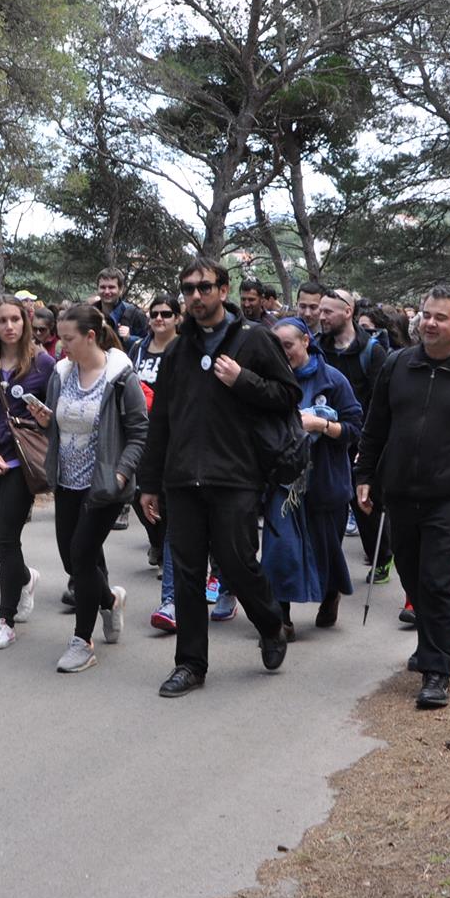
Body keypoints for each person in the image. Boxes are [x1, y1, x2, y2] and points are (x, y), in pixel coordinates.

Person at [137, 255, 303, 697]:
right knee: (189, 573)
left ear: (223, 290)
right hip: (183, 479)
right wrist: (149, 482)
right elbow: (162, 420)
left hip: (236, 475)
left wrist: (243, 379)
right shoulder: (178, 349)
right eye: (188, 288)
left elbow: (288, 396)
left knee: (237, 564)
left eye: (203, 287)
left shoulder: (254, 340)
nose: (195, 296)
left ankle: (270, 624)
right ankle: (191, 664)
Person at [354, 285, 450, 712]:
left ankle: (437, 671)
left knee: (439, 581)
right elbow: (375, 426)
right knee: (412, 575)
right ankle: (428, 644)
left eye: (441, 317)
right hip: (400, 493)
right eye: (425, 315)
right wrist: (364, 473)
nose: (429, 323)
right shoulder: (397, 365)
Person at [20, 304, 147, 672]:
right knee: (76, 560)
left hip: (105, 485)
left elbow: (139, 433)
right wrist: (47, 421)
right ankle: (109, 600)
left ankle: (82, 641)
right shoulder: (61, 373)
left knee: (81, 554)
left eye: (69, 339)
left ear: (91, 336)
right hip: (67, 482)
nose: (61, 346)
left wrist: (122, 475)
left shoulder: (120, 376)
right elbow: (60, 426)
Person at [0, 296, 56, 647]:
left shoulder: (43, 364)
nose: (9, 326)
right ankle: (25, 578)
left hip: (20, 462)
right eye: (2, 320)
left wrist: (47, 418)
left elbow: (53, 413)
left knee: (6, 537)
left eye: (15, 319)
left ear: (25, 322)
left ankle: (5, 619)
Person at [262, 319, 361, 637]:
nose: (283, 353)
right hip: (282, 483)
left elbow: (354, 428)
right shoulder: (269, 381)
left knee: (325, 547)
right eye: (276, 348)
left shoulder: (333, 380)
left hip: (324, 480)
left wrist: (321, 426)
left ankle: (331, 593)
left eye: (288, 345)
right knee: (280, 549)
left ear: (306, 341)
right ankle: (282, 616)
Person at [316, 287, 392, 581]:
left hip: (360, 441)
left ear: (348, 312)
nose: (321, 317)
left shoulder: (373, 351)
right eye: (319, 310)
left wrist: (371, 446)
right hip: (324, 440)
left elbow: (381, 402)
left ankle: (382, 558)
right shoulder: (316, 348)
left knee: (365, 505)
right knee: (328, 503)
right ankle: (328, 566)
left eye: (327, 311)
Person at [132, 294, 181, 582]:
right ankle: (156, 539)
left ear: (177, 318)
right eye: (155, 314)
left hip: (172, 431)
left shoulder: (182, 349)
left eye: (166, 314)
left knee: (166, 493)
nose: (159, 319)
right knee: (139, 493)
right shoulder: (138, 348)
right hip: (140, 431)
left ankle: (166, 551)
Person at [97, 266, 150, 343]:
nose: (107, 291)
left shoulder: (135, 314)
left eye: (111, 287)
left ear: (121, 289)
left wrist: (129, 338)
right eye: (102, 287)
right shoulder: (90, 313)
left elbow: (149, 344)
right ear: (97, 289)